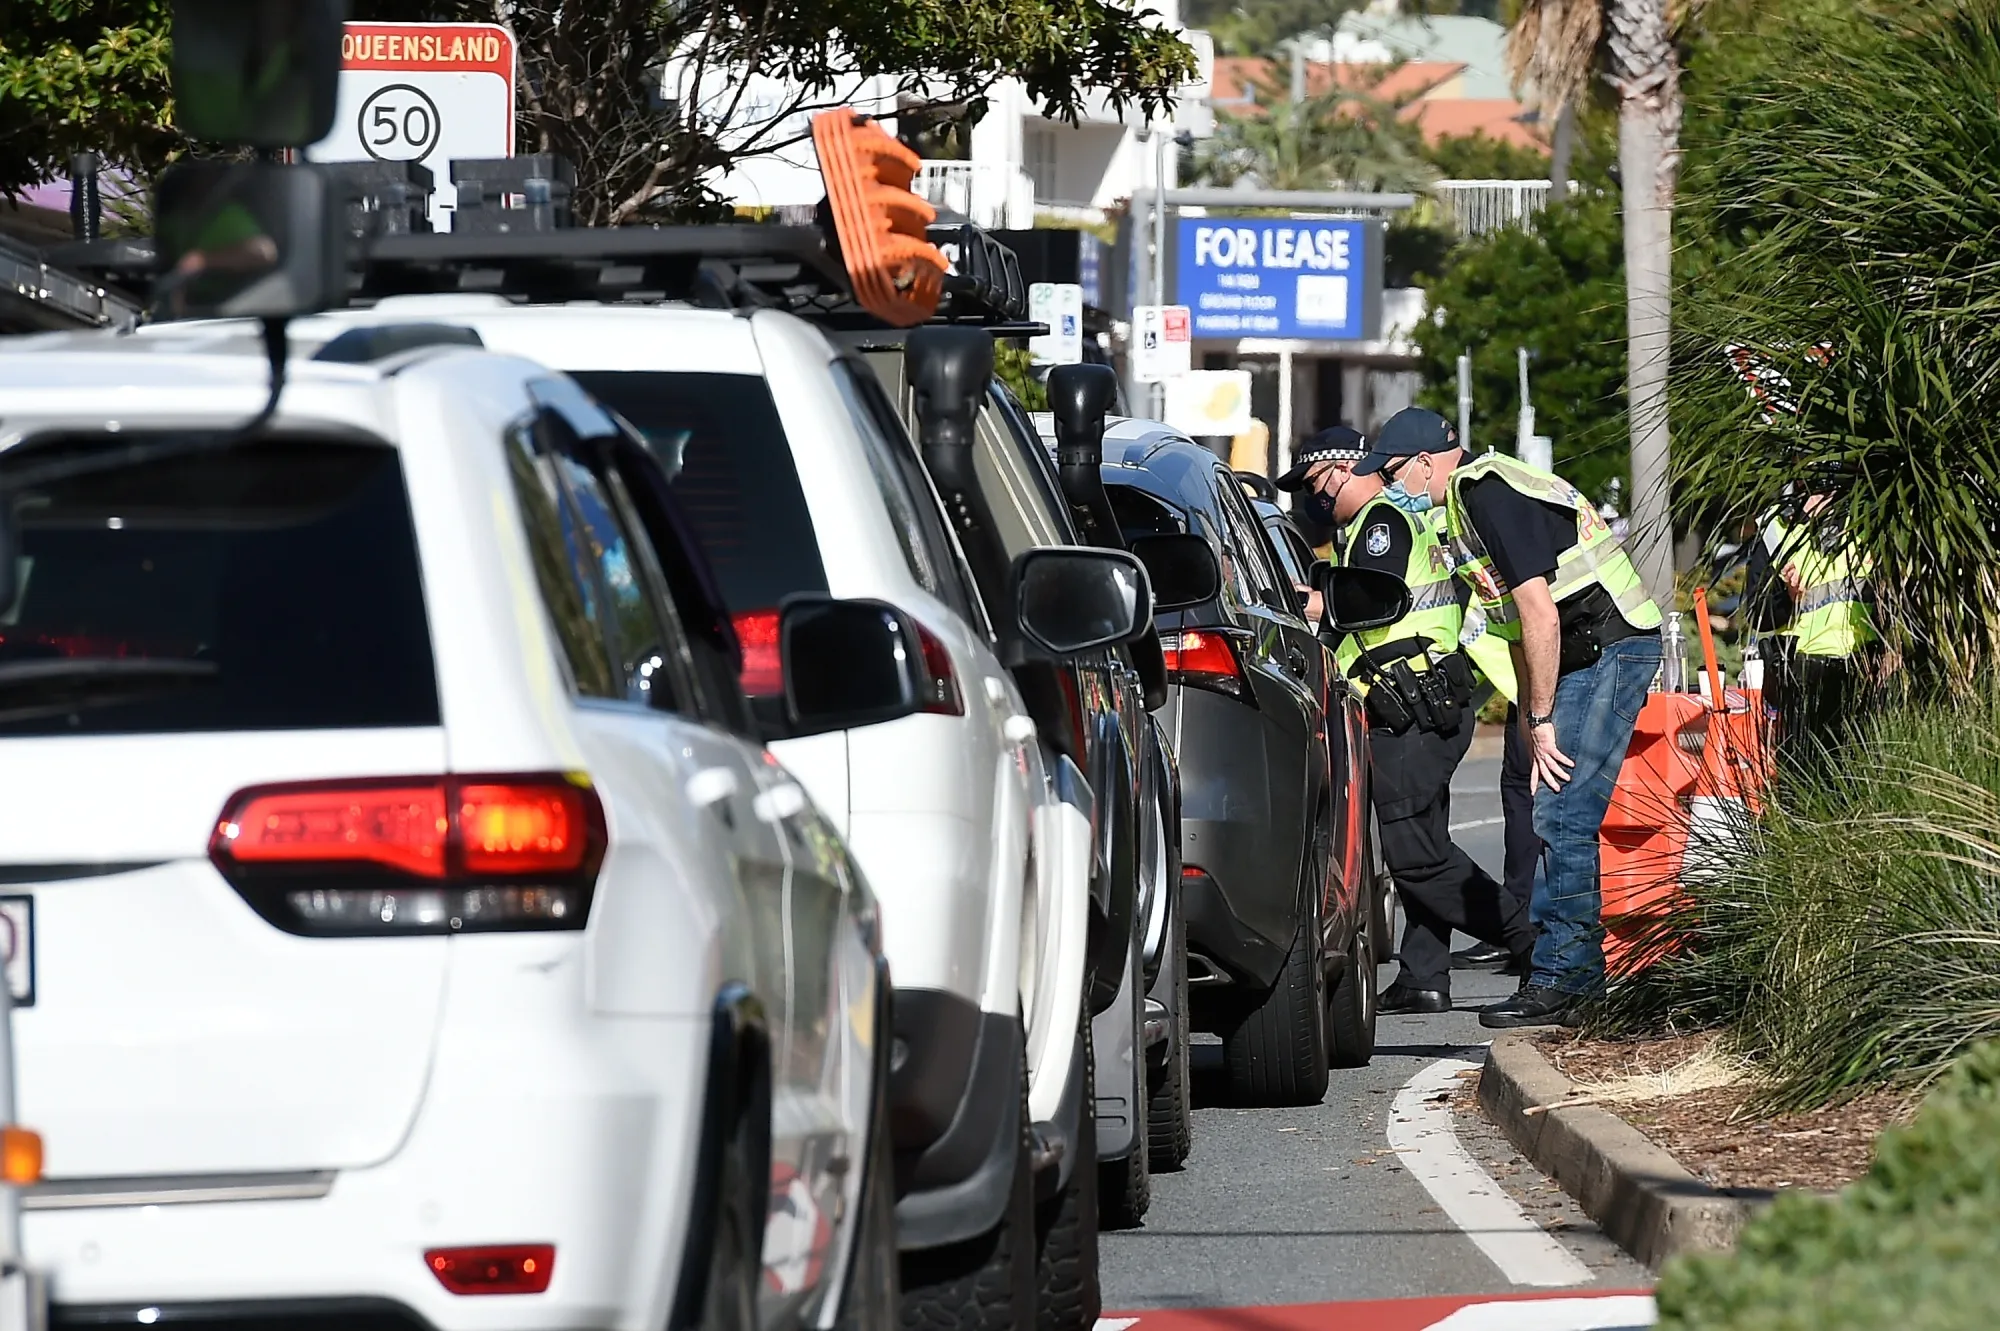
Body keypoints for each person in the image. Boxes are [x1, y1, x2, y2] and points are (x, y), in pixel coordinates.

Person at [1352, 408, 1663, 1028]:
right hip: (1582, 650)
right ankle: (1568, 974)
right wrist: (1529, 711)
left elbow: (1540, 613)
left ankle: (1566, 978)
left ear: (1423, 461)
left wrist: (1542, 716)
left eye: (1392, 472)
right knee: (1557, 807)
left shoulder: (1485, 491)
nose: (1390, 487)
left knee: (1563, 810)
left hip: (1608, 643)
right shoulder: (1458, 514)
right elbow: (1517, 628)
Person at [1279, 428, 1535, 1014]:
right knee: (1425, 840)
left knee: (1415, 856)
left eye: (1316, 485)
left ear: (1343, 470)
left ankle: (1531, 940)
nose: (1314, 499)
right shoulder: (1388, 519)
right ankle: (1424, 975)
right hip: (1420, 702)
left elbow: (1377, 599)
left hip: (1409, 706)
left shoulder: (1381, 520)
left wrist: (1314, 604)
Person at [1746, 488, 1878, 774]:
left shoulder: (1875, 513)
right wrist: (1788, 597)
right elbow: (1757, 615)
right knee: (1807, 779)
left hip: (1869, 670)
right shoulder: (1776, 526)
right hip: (1804, 676)